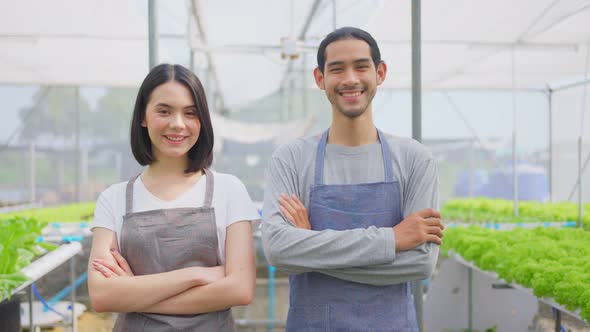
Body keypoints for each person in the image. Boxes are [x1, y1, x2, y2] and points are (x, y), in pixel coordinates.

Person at [261, 27, 444, 331]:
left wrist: (310, 249)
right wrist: (391, 239)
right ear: (320, 79)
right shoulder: (291, 159)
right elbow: (278, 250)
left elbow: (420, 263)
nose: (350, 79)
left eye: (361, 66)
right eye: (337, 69)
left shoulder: (414, 159)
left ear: (380, 72)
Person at [88, 64, 259, 331]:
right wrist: (197, 275)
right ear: (143, 116)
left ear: (202, 120)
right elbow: (102, 295)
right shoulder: (114, 198)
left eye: (190, 113)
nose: (177, 124)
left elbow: (240, 289)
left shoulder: (230, 190)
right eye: (164, 111)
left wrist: (133, 294)